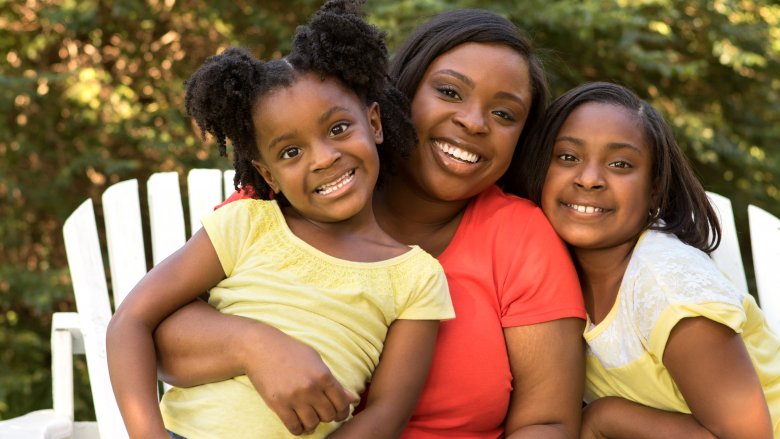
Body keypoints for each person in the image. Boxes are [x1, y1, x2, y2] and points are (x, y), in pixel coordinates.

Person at [153, 7, 587, 439]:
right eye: (451, 92)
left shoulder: (521, 237)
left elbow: (548, 423)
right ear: (398, 96)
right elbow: (155, 332)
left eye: (504, 114)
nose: (473, 122)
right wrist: (253, 345)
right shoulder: (285, 199)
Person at [106, 1, 456, 438]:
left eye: (338, 129)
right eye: (292, 152)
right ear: (268, 173)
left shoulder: (416, 276)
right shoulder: (247, 225)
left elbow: (385, 415)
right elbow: (130, 322)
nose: (325, 158)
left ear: (374, 123)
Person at [523, 81, 780, 438]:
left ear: (654, 187)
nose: (589, 179)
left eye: (620, 164)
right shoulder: (544, 273)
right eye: (568, 157)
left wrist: (605, 418)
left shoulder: (668, 286)